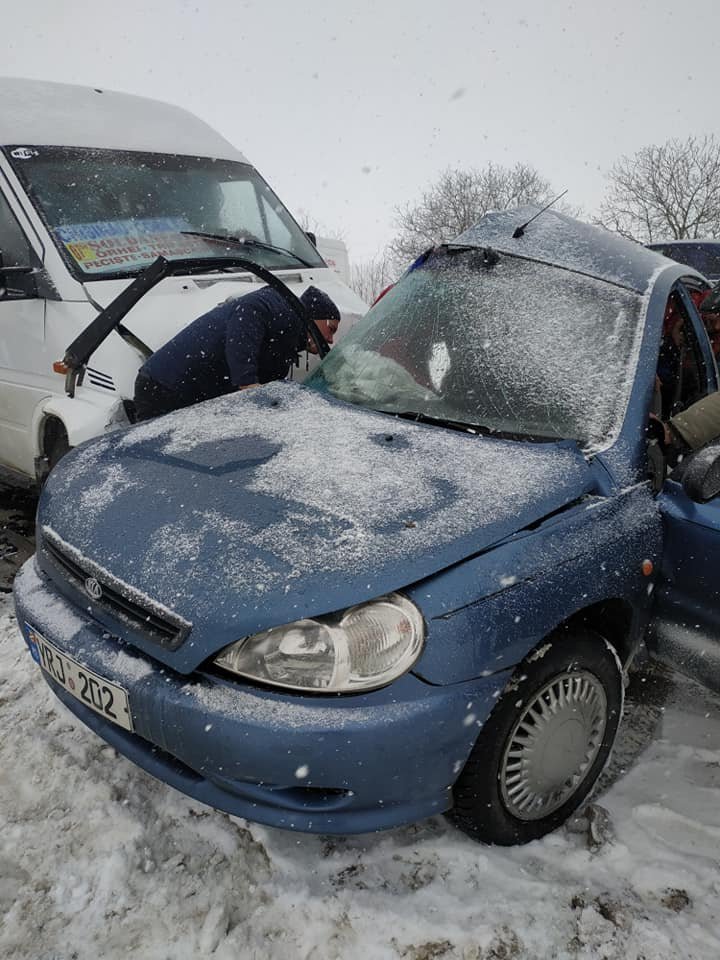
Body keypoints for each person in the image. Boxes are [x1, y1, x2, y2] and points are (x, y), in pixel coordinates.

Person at [133, 285, 340, 421]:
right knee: (156, 471)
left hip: (183, 393)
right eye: (331, 329)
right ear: (315, 315)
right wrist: (248, 384)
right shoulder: (278, 304)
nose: (330, 339)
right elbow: (249, 311)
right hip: (164, 386)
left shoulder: (288, 336)